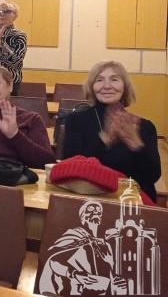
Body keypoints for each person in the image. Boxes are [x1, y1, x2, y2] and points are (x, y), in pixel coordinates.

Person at [63, 61, 160, 202]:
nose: (107, 86)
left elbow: (152, 176)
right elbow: (69, 167)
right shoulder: (75, 120)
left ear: (125, 87)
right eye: (99, 80)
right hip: (85, 198)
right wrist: (104, 139)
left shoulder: (145, 126)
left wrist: (136, 144)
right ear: (92, 87)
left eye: (114, 79)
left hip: (127, 203)